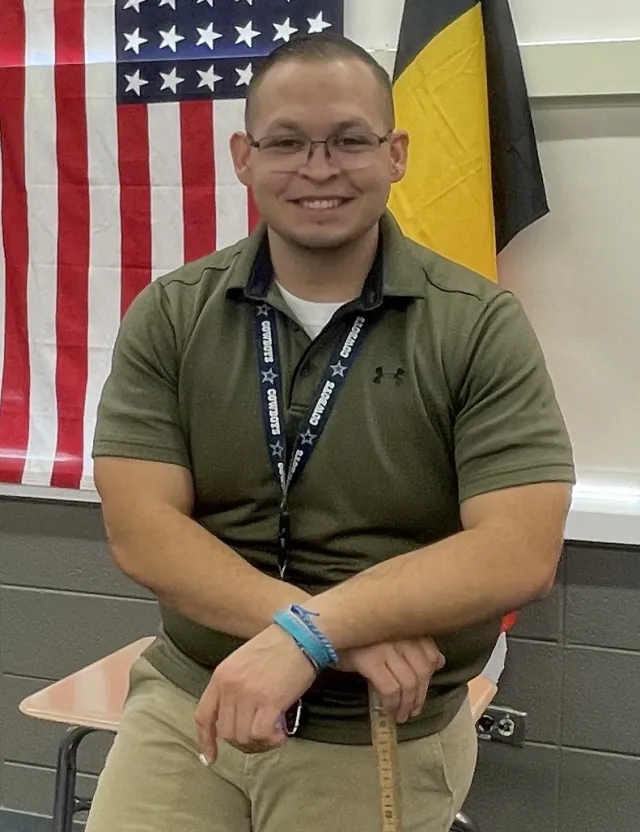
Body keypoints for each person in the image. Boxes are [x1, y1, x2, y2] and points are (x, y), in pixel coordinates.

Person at [87, 33, 574, 832]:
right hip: (193, 704)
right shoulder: (174, 312)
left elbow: (519, 551)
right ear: (244, 156)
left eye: (350, 139)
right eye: (287, 142)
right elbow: (142, 528)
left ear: (397, 153)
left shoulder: (479, 325)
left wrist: (310, 636)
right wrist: (313, 632)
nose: (319, 168)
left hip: (375, 729)